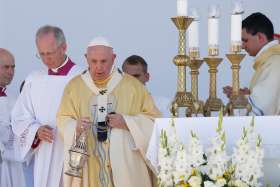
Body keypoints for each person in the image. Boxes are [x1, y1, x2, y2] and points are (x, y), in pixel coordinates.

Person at [57, 37, 161, 187]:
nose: (99, 67)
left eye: (104, 61)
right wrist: (76, 126)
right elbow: (63, 119)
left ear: (113, 58)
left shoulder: (133, 87)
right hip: (89, 166)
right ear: (86, 58)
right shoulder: (74, 88)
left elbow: (154, 122)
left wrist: (127, 122)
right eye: (93, 61)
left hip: (126, 168)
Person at [11, 25, 83, 187]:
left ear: (64, 47)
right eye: (41, 54)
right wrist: (35, 130)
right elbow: (20, 117)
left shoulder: (82, 78)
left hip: (73, 151)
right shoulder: (34, 80)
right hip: (45, 152)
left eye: (49, 53)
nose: (46, 59)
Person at [223, 12, 280, 115]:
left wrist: (240, 100)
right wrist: (245, 95)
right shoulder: (269, 61)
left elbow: (260, 108)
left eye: (245, 40)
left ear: (260, 37)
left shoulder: (275, 62)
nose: (242, 46)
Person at [0, 48, 26, 187]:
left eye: (13, 67)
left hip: (14, 166)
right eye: (6, 67)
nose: (11, 72)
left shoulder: (15, 99)